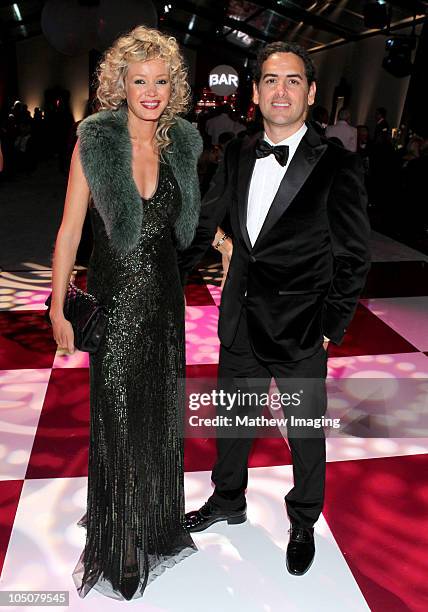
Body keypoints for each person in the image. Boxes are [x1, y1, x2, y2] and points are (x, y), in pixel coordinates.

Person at [178, 41, 370, 576]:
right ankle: (228, 500)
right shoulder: (237, 152)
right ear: (256, 91)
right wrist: (166, 278)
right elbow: (205, 224)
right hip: (240, 314)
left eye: (291, 80)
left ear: (310, 93)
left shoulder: (338, 165)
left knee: (305, 430)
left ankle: (304, 517)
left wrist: (330, 326)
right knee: (232, 418)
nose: (279, 90)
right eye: (269, 80)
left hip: (302, 325)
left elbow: (354, 257)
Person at [49, 25, 202, 600]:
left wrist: (221, 242)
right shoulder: (95, 140)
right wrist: (58, 304)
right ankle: (120, 538)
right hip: (113, 297)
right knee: (116, 416)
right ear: (121, 83)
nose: (151, 92)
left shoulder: (182, 141)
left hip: (163, 299)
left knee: (157, 411)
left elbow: (186, 222)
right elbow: (68, 230)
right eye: (139, 81)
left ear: (174, 86)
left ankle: (154, 519)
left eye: (161, 81)